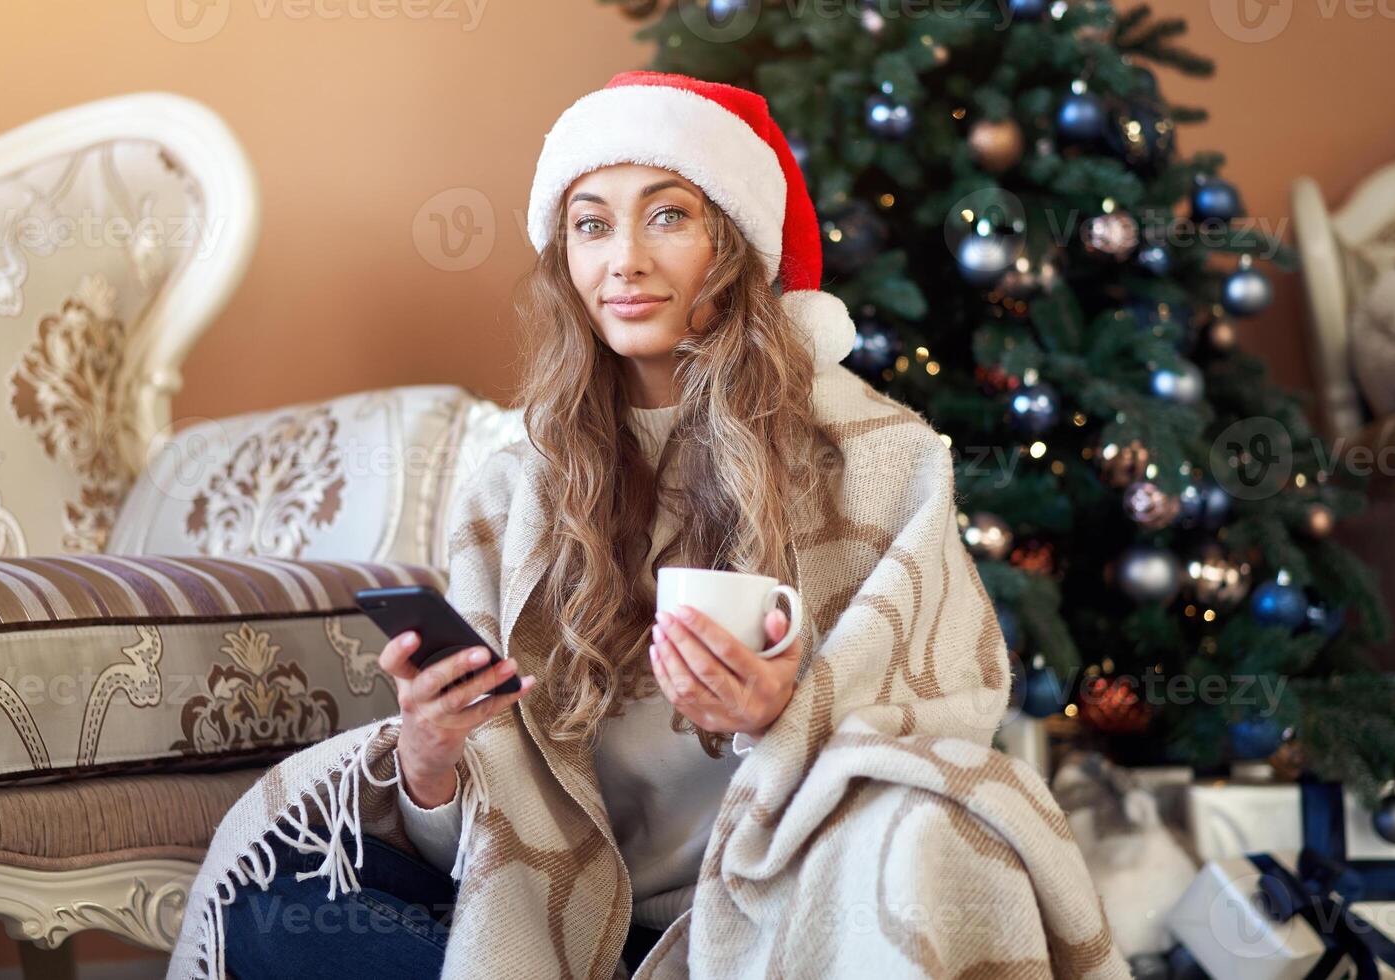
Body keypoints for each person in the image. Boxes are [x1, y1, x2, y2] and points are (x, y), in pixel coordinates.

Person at [171, 71, 1123, 980]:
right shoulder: (513, 494)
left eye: (668, 215)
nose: (623, 258)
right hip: (569, 929)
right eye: (591, 226)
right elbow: (477, 845)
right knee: (277, 909)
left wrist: (779, 719)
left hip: (776, 915)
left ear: (738, 244)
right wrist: (429, 759)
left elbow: (948, 719)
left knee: (933, 823)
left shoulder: (876, 456)